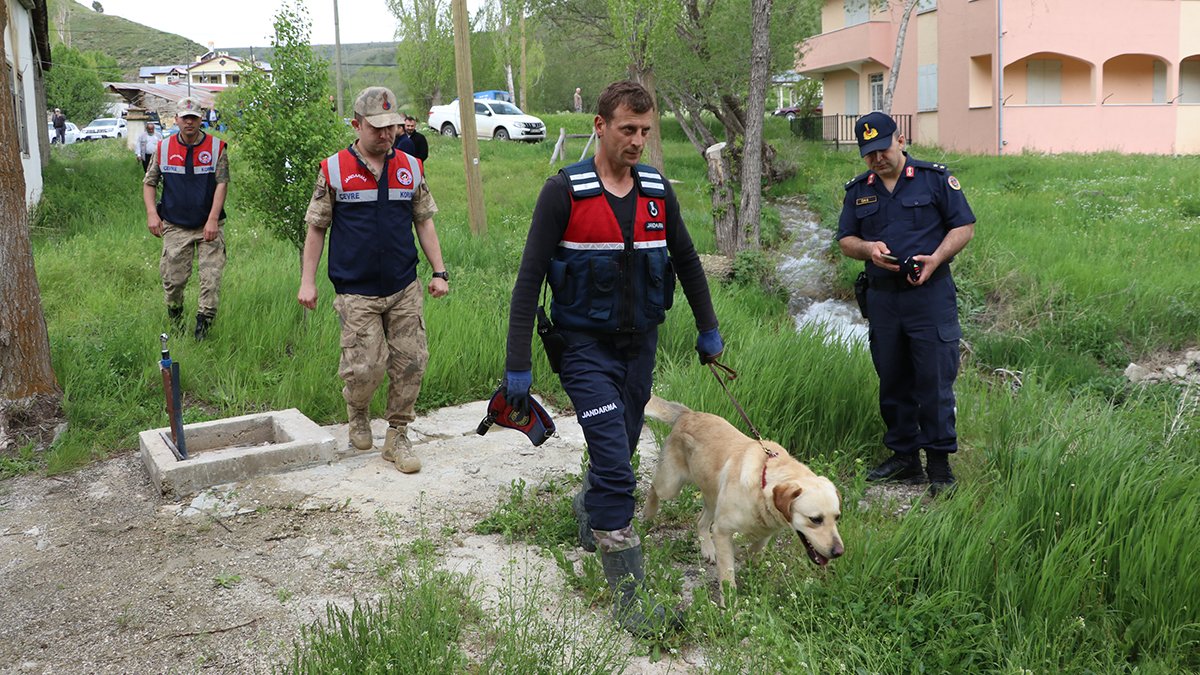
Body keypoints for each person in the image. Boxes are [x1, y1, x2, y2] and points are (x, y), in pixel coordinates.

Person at [503, 80, 723, 636]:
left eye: (646, 131)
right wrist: (518, 364)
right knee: (616, 466)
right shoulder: (564, 193)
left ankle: (590, 511)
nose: (638, 141)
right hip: (582, 350)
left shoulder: (656, 191)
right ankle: (631, 601)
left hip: (638, 349)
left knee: (620, 447)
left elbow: (688, 260)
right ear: (599, 126)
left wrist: (708, 328)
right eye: (628, 129)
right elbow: (529, 280)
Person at [298, 86, 449, 473]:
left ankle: (397, 434)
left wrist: (439, 271)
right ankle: (358, 409)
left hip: (403, 286)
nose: (386, 135)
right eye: (377, 128)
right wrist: (308, 281)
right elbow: (316, 228)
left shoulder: (411, 167)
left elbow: (424, 222)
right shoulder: (333, 169)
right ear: (356, 124)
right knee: (365, 368)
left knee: (411, 361)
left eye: (392, 127)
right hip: (356, 290)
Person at [835, 111, 975, 496]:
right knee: (892, 379)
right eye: (868, 154)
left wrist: (936, 258)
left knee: (933, 380)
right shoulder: (859, 190)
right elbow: (846, 239)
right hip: (883, 299)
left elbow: (964, 226)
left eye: (882, 149)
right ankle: (905, 457)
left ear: (899, 140)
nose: (877, 159)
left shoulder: (934, 179)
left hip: (929, 296)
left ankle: (940, 466)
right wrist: (868, 249)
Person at [143, 97, 230, 341]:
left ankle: (203, 329)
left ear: (200, 119)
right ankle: (176, 318)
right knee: (173, 280)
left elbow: (222, 184)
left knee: (210, 279)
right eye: (185, 117)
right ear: (177, 120)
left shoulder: (216, 148)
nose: (189, 122)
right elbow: (149, 182)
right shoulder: (163, 148)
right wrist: (152, 213)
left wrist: (213, 219)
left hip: (208, 225)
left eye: (193, 117)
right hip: (174, 224)